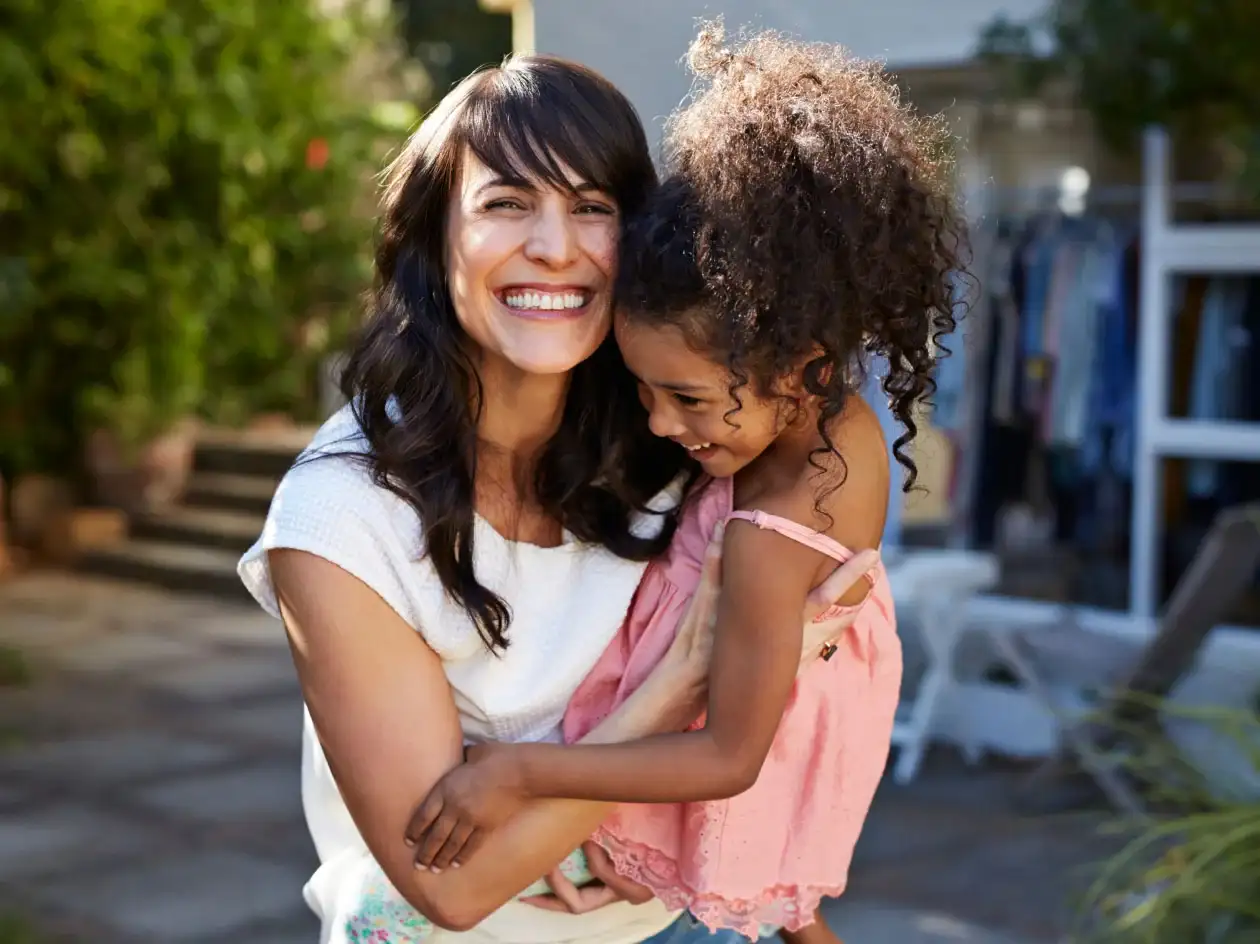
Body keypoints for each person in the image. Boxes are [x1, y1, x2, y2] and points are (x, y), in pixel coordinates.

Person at [237, 49, 877, 944]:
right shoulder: (341, 517)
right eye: (506, 204)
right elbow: (450, 887)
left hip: (682, 919)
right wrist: (683, 682)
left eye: (592, 208)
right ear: (434, 239)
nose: (555, 247)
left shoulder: (677, 420)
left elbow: (838, 447)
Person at [404, 25, 967, 943]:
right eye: (644, 392)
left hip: (679, 790)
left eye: (688, 399)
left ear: (807, 369)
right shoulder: (833, 424)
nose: (663, 424)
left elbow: (732, 755)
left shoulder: (768, 535)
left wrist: (521, 773)